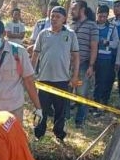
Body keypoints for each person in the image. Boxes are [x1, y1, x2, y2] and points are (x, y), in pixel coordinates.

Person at [0, 18, 43, 123]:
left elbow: (29, 81)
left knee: (12, 138)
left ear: (3, 33)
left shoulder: (18, 52)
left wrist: (38, 108)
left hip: (13, 108)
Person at [30, 6, 79, 142]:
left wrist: (74, 76)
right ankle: (38, 135)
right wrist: (30, 74)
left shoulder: (70, 35)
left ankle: (59, 135)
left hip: (62, 80)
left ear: (64, 19)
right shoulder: (43, 34)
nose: (54, 19)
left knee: (60, 111)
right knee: (41, 109)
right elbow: (35, 56)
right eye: (52, 16)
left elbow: (76, 57)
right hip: (44, 79)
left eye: (57, 16)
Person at [69, 1, 98, 128]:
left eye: (74, 8)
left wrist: (91, 66)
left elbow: (94, 47)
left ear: (83, 9)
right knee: (66, 90)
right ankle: (65, 117)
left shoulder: (92, 26)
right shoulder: (71, 25)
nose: (71, 11)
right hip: (68, 65)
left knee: (81, 93)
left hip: (83, 66)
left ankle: (79, 121)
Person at [93, 5, 119, 110]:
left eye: (104, 16)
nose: (102, 19)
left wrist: (107, 42)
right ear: (97, 14)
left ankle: (97, 103)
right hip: (91, 57)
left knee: (101, 82)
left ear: (108, 16)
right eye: (100, 16)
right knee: (87, 81)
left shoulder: (112, 27)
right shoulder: (92, 25)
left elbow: (116, 43)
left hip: (105, 59)